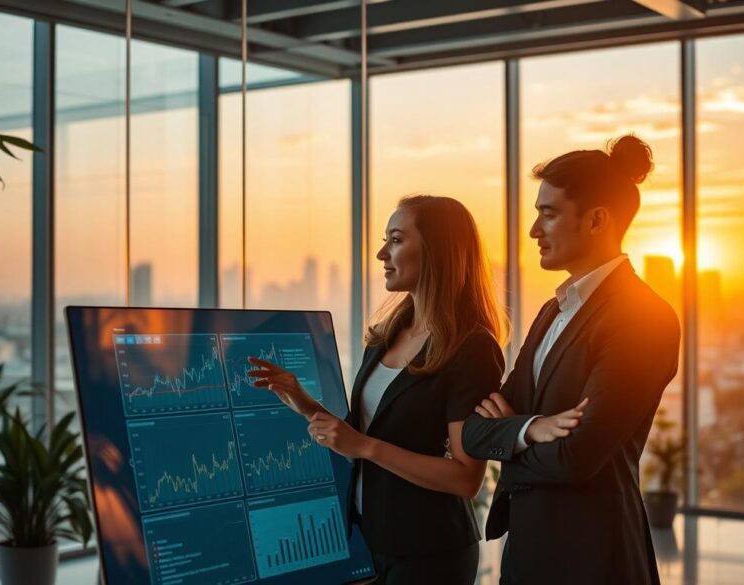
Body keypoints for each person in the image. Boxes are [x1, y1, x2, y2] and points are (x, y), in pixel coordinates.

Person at [248, 195, 511, 584]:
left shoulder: (471, 349)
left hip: (429, 553)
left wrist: (366, 448)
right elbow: (368, 432)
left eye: (397, 239)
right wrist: (306, 406)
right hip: (368, 543)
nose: (381, 253)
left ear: (437, 252)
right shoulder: (386, 336)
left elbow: (465, 477)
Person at [462, 135, 682, 585]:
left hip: (595, 558)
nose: (533, 231)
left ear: (598, 220)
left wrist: (511, 441)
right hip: (527, 555)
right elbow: (473, 431)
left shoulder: (644, 318)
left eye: (549, 213)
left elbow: (578, 457)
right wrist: (531, 429)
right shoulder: (553, 311)